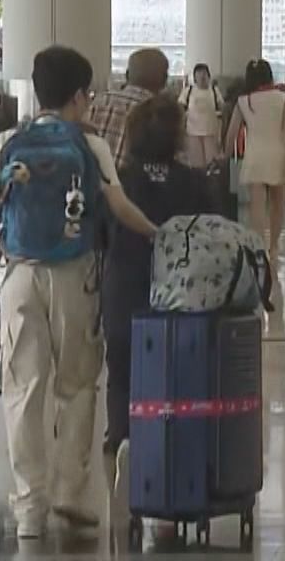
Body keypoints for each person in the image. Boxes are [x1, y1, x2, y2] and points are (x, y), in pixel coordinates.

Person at [0, 45, 163, 540]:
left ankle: (30, 508)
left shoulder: (9, 139)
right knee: (76, 386)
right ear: (78, 95)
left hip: (19, 275)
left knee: (23, 390)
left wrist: (2, 239)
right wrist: (159, 233)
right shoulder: (89, 145)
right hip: (74, 274)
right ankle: (72, 497)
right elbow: (116, 205)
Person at [102, 98, 210, 524]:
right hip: (180, 291)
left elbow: (102, 234)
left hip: (125, 285)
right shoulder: (195, 182)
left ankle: (123, 441)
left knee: (122, 369)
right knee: (179, 372)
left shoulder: (118, 181)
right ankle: (172, 444)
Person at [227, 60, 285, 268]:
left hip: (254, 155)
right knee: (278, 204)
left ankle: (258, 247)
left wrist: (224, 155)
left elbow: (231, 133)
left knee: (257, 206)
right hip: (278, 153)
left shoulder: (243, 101)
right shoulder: (283, 99)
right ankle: (273, 247)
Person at [89, 48, 169, 168]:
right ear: (164, 80)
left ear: (127, 75)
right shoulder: (164, 116)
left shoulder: (97, 103)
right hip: (134, 185)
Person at [182, 63, 224, 170]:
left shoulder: (214, 90)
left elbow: (222, 107)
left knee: (212, 162)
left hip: (210, 132)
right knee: (196, 164)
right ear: (195, 77)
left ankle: (211, 183)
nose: (202, 76)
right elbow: (181, 107)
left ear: (208, 75)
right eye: (199, 74)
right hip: (192, 132)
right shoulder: (188, 91)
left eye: (204, 73)